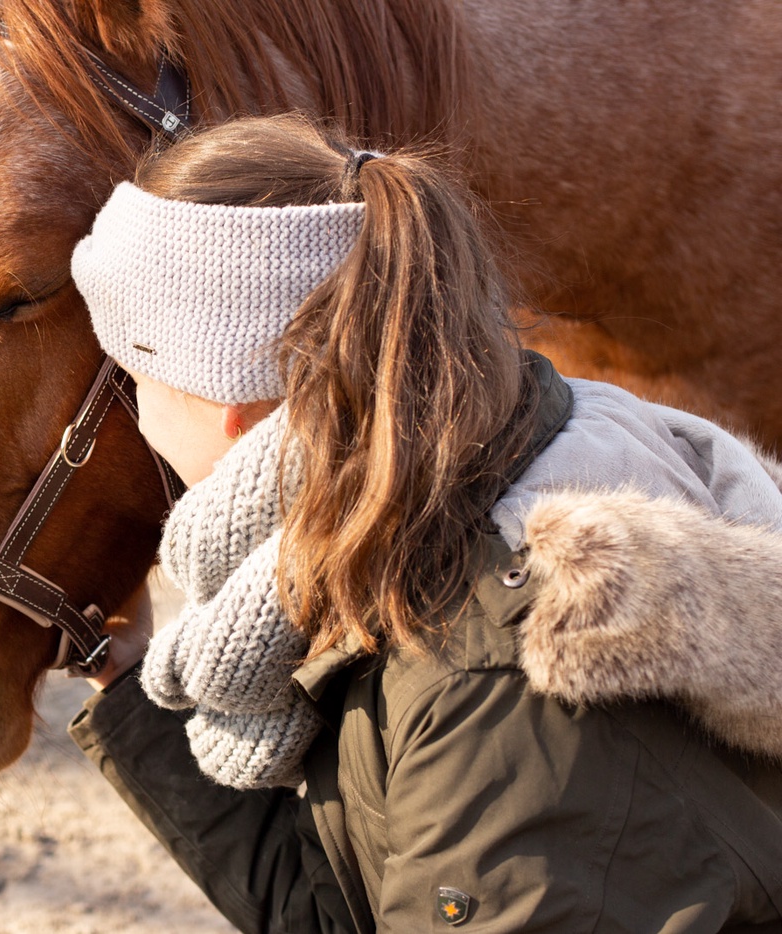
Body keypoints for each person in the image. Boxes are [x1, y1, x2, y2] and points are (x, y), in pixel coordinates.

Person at [65, 114, 782, 932]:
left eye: (134, 380)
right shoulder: (435, 497)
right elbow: (345, 903)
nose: (133, 418)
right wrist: (125, 684)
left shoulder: (486, 668)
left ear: (229, 411)